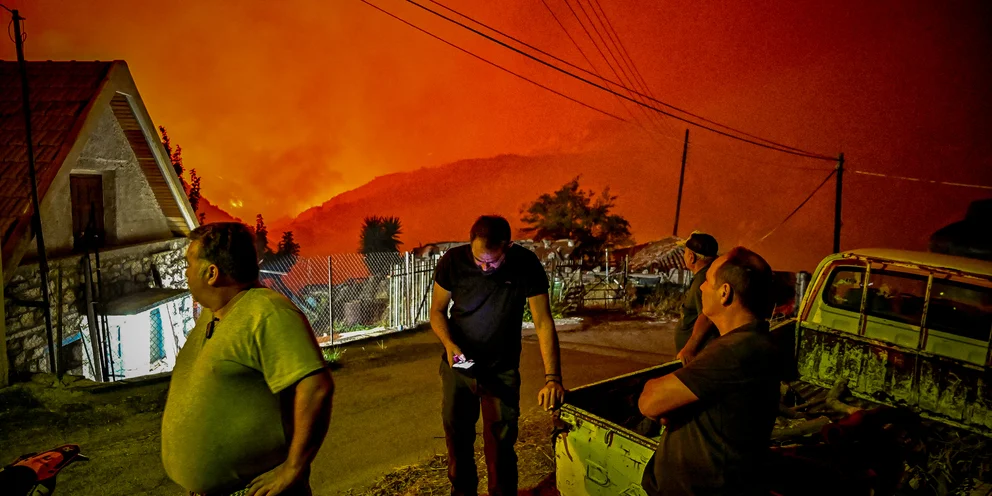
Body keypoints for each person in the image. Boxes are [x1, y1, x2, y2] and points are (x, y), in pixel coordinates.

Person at [162, 223, 334, 496]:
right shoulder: (215, 312)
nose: (185, 273)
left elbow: (316, 388)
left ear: (211, 273)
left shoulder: (267, 312)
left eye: (189, 263)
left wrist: (292, 469)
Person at [430, 215, 565, 496]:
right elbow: (437, 311)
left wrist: (553, 377)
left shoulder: (526, 264)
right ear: (470, 245)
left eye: (492, 262)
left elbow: (543, 322)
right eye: (479, 260)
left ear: (508, 246)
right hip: (459, 365)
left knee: (501, 445)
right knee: (458, 440)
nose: (485, 267)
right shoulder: (453, 262)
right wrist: (449, 344)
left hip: (501, 370)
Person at [638, 247, 783, 495]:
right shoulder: (752, 342)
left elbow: (650, 402)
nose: (702, 287)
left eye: (707, 281)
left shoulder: (734, 351)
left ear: (725, 293)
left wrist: (663, 399)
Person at [675, 231, 720, 364]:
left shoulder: (703, 280)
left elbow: (707, 316)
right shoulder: (710, 274)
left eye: (684, 252)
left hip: (698, 356)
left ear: (691, 257)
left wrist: (690, 349)